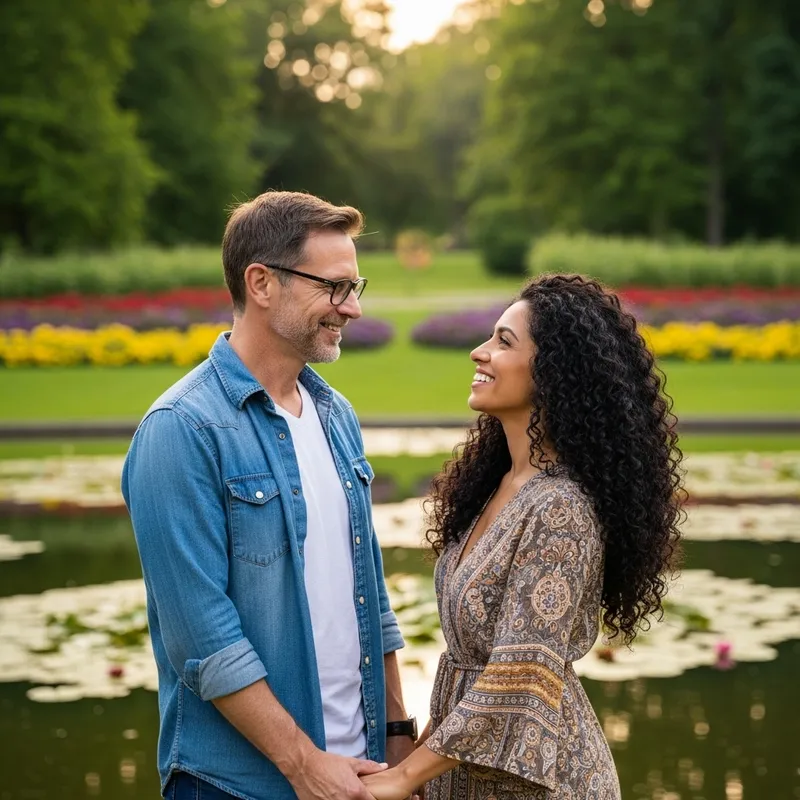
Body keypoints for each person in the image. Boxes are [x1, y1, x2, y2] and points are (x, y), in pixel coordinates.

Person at [122, 191, 417, 800]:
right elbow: (202, 641)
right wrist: (305, 765)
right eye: (335, 287)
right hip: (235, 786)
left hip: (354, 775)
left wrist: (395, 735)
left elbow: (369, 596)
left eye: (357, 285)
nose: (353, 308)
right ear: (261, 283)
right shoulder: (181, 429)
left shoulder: (337, 416)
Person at [362, 274, 684, 800]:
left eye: (503, 342)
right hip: (459, 769)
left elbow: (522, 672)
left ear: (556, 373)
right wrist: (418, 760)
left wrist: (403, 777)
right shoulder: (498, 486)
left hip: (539, 783)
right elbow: (472, 663)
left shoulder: (559, 509)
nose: (478, 352)